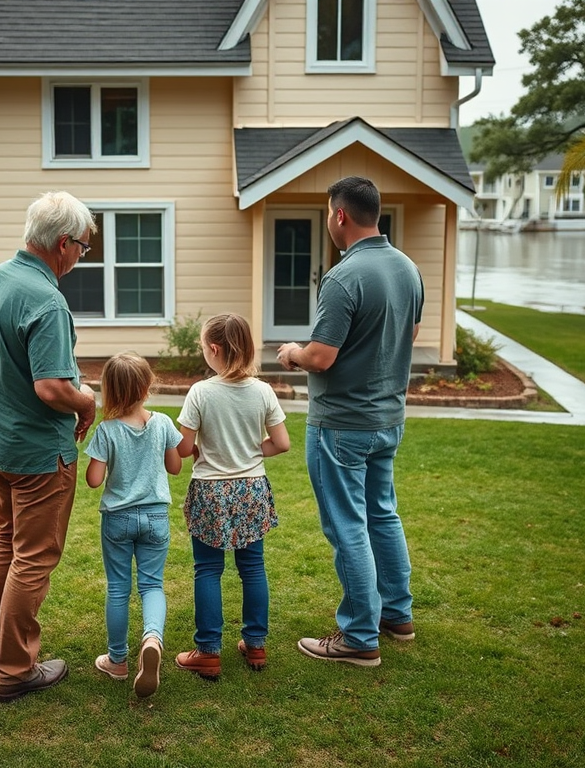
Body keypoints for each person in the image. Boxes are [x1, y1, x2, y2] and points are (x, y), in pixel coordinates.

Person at [0, 190, 98, 702]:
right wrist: (86, 403)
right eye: (82, 246)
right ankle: (15, 670)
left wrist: (1, 387)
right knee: (33, 558)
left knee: (5, 540)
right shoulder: (46, 299)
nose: (82, 256)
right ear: (62, 244)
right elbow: (52, 388)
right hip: (39, 454)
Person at [277, 176, 424, 667]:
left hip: (342, 424)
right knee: (382, 513)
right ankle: (396, 615)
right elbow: (409, 331)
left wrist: (292, 352)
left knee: (348, 526)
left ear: (339, 215)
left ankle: (360, 637)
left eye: (326, 213)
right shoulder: (408, 269)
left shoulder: (343, 277)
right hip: (388, 418)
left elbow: (321, 356)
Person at [173, 313, 290, 680]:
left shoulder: (201, 392)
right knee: (252, 568)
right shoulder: (263, 391)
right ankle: (255, 643)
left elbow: (183, 448)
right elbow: (282, 443)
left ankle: (207, 652)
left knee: (208, 569)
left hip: (210, 489)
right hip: (251, 488)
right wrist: (253, 453)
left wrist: (198, 450)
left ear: (214, 348)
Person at [84, 352, 183, 698]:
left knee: (118, 589)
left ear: (109, 391)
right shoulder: (163, 424)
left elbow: (94, 480)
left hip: (119, 519)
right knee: (152, 585)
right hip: (156, 517)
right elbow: (175, 467)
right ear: (147, 386)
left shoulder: (107, 431)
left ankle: (117, 661)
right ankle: (152, 638)